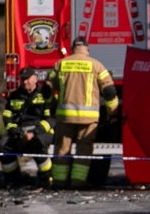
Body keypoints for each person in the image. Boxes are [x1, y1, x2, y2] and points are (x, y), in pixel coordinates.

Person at [48, 38, 119, 189]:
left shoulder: (61, 64)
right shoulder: (96, 65)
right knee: (84, 150)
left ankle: (59, 182)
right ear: (87, 49)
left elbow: (47, 88)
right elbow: (109, 91)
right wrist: (113, 112)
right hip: (88, 119)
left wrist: (49, 109)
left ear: (73, 48)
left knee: (62, 149)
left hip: (65, 116)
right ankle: (77, 182)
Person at [0, 67, 56, 188]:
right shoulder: (14, 96)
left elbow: (51, 119)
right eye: (22, 79)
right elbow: (7, 117)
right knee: (2, 145)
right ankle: (14, 179)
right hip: (20, 133)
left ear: (35, 78)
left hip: (42, 132)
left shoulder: (45, 96)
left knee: (37, 144)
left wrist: (34, 132)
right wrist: (15, 132)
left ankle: (46, 178)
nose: (24, 82)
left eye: (27, 79)